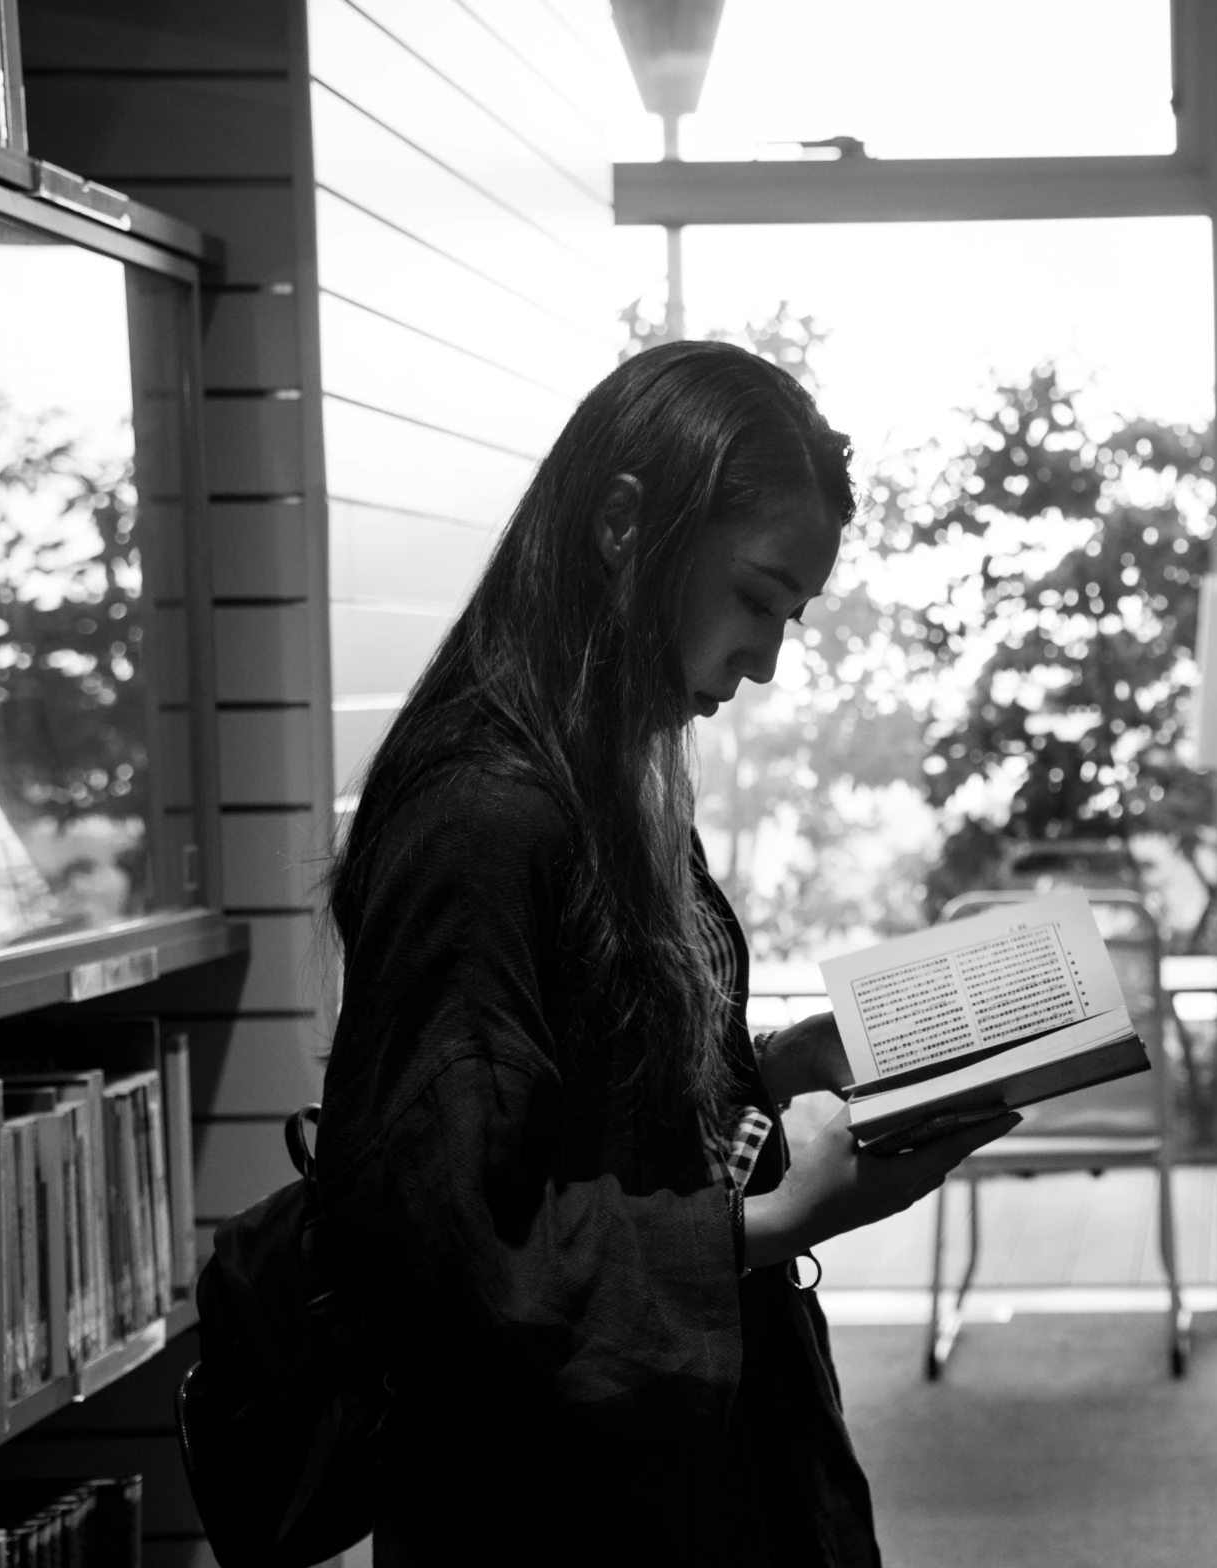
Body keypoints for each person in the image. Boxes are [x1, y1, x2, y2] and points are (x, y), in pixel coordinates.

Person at [315, 340, 1016, 1564]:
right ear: (627, 522)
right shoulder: (482, 811)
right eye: (754, 599)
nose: (766, 661)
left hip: (670, 1473)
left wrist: (772, 1059)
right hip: (561, 1511)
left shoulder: (597, 767)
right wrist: (777, 1220)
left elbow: (590, 1094)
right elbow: (452, 1243)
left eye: (789, 616)